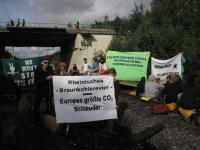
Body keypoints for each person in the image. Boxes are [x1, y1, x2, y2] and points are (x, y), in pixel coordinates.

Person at [33, 57, 56, 123]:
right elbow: (37, 82)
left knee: (49, 104)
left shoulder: (49, 69)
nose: (47, 64)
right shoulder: (37, 70)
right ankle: (36, 119)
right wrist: (46, 78)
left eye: (48, 63)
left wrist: (53, 70)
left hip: (48, 91)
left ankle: (50, 118)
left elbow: (53, 75)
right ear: (42, 63)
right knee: (37, 105)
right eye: (45, 62)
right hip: (39, 90)